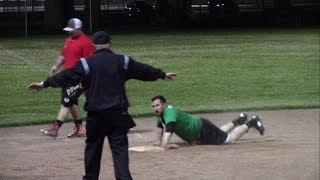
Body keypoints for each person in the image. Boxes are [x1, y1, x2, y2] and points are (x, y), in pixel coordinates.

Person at [27, 31, 176, 180]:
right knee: (120, 152)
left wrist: (44, 84)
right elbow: (143, 70)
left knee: (92, 151)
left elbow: (66, 75)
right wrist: (162, 74)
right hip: (118, 115)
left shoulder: (86, 63)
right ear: (110, 44)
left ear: (94, 46)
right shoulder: (122, 61)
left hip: (96, 116)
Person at [41, 18, 95, 138]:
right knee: (71, 101)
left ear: (79, 29)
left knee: (67, 100)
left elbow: (91, 62)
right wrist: (56, 65)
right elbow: (63, 55)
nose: (69, 32)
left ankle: (56, 127)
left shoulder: (86, 42)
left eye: (72, 30)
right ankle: (80, 128)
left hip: (78, 77)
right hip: (67, 76)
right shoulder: (69, 39)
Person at [150, 95, 265, 149]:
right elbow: (160, 127)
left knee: (230, 139)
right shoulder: (161, 114)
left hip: (202, 130)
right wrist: (158, 142)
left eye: (157, 105)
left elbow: (168, 131)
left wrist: (162, 146)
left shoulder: (169, 113)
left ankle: (253, 122)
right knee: (219, 132)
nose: (155, 108)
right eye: (153, 106)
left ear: (164, 104)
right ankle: (239, 120)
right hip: (200, 131)